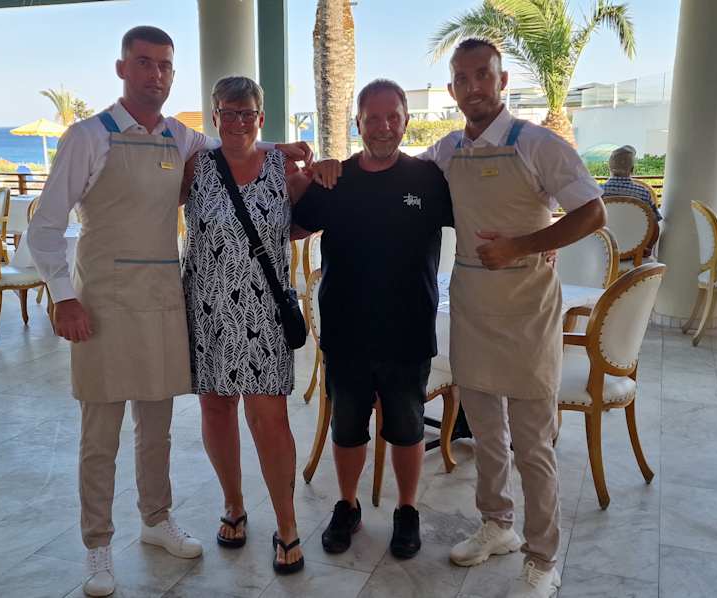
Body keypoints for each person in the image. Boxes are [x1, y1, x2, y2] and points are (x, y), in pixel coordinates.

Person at [25, 26, 311, 597]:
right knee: (100, 433)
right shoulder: (87, 136)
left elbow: (239, 144)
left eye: (164, 65)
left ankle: (156, 520)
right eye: (143, 62)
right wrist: (63, 296)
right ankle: (98, 544)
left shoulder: (181, 139)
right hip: (102, 301)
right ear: (122, 68)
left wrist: (285, 148)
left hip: (163, 302)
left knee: (155, 428)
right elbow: (45, 226)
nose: (155, 74)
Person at [421, 39, 605, 598]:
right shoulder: (448, 150)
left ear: (502, 81)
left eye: (483, 75)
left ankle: (543, 558)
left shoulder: (537, 144)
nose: (473, 86)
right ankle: (497, 524)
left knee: (532, 445)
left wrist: (524, 245)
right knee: (485, 434)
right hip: (472, 307)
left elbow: (592, 212)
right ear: (452, 89)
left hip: (527, 310)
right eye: (462, 78)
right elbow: (398, 180)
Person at [292, 79, 452, 560]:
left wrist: (539, 242)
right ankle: (348, 505)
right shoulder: (336, 179)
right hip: (347, 331)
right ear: (358, 123)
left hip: (408, 330)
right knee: (346, 429)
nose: (384, 127)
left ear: (406, 121)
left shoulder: (428, 179)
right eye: (373, 118)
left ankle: (407, 509)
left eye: (392, 117)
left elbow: (482, 214)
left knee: (407, 428)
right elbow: (292, 225)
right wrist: (306, 173)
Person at [179, 75, 313, 575]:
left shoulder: (283, 168)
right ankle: (233, 505)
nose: (238, 122)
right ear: (215, 116)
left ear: (261, 117)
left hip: (263, 314)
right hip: (207, 310)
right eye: (228, 112)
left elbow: (305, 221)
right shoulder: (196, 166)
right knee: (216, 409)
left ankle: (287, 524)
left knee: (269, 420)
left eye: (247, 113)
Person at [601, 145, 662, 222]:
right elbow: (655, 219)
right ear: (632, 169)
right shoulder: (644, 193)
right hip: (639, 230)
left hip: (604, 230)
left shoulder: (598, 192)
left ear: (609, 168)